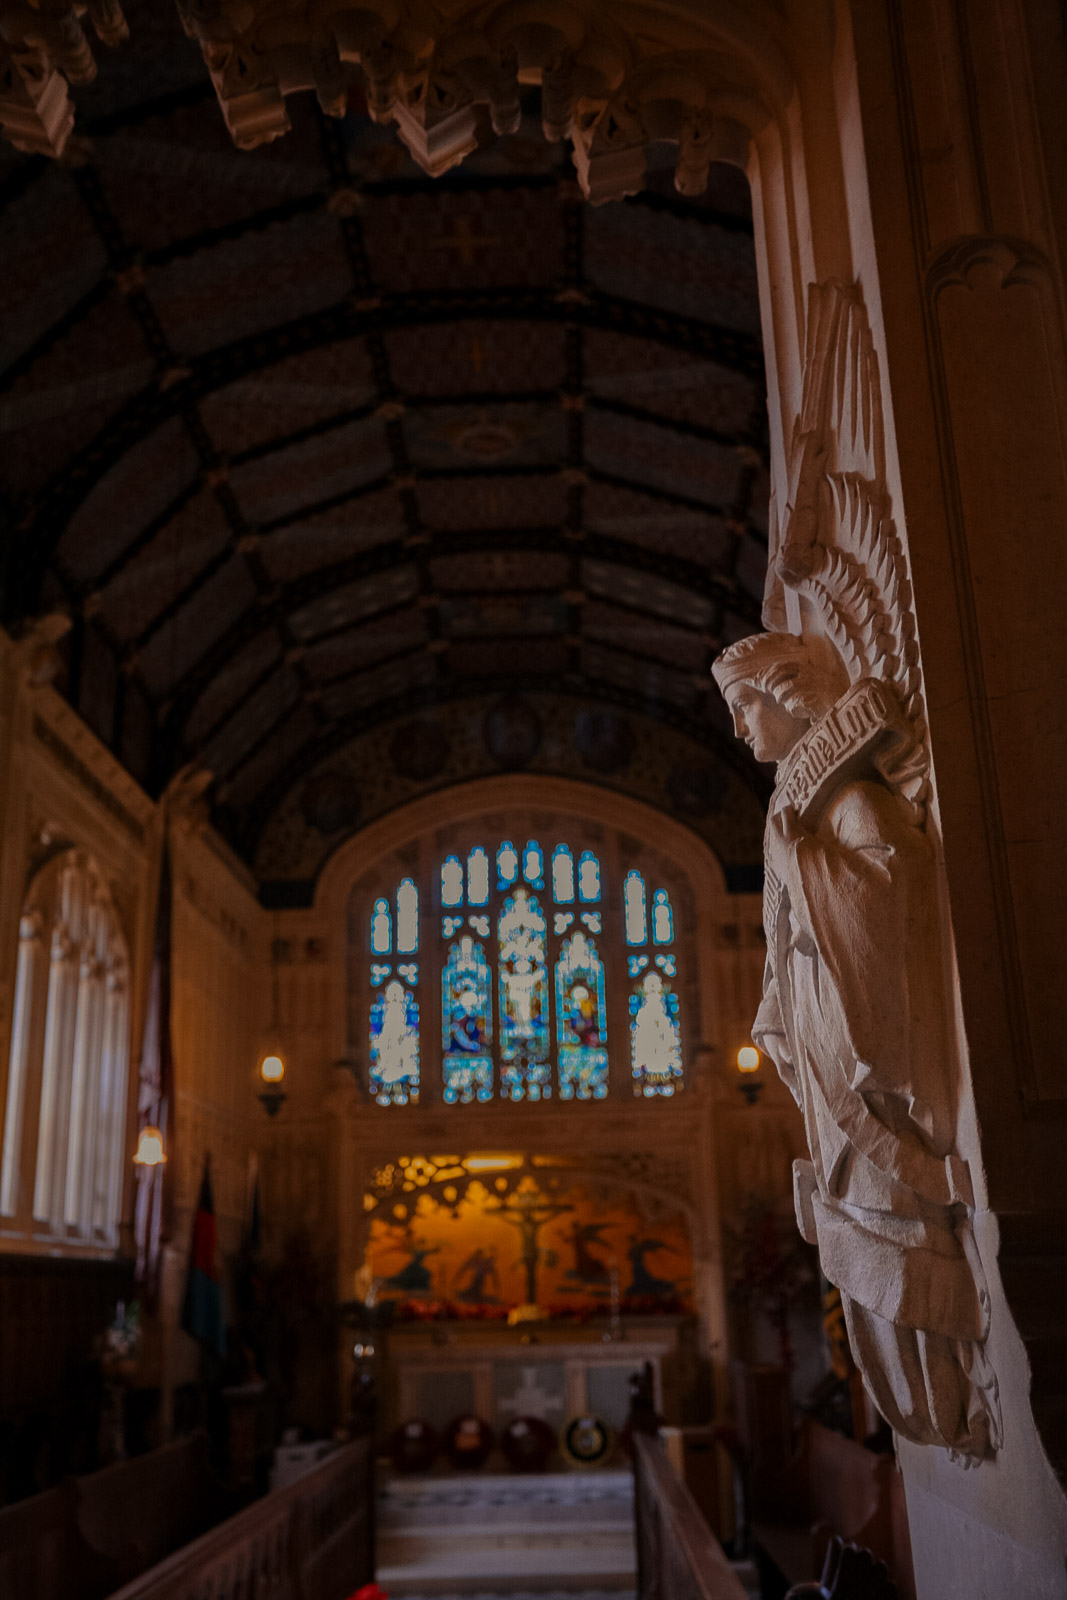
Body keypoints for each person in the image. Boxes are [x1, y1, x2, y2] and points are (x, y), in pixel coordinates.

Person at [712, 632, 997, 1457]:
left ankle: (948, 1386)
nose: (739, 732)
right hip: (826, 1045)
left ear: (788, 692)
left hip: (863, 1058)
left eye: (743, 708)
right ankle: (933, 1403)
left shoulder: (849, 803)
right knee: (863, 1221)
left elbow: (892, 889)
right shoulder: (799, 809)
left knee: (895, 1217)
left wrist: (803, 864)